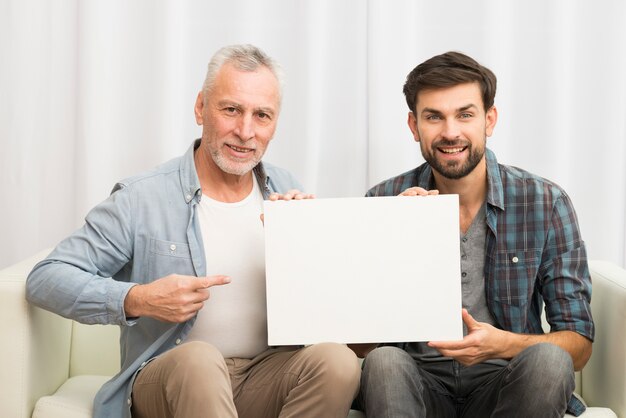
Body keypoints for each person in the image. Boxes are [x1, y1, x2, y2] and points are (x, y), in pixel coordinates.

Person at [26, 44, 360, 418]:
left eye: (261, 115)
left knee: (338, 361)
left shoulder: (285, 188)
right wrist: (137, 298)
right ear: (201, 107)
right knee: (200, 360)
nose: (245, 131)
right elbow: (47, 278)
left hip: (266, 374)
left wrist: (306, 246)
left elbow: (323, 308)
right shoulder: (142, 197)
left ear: (275, 123)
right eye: (231, 109)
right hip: (172, 378)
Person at [352, 51, 594, 418]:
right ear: (414, 126)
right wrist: (394, 237)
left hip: (504, 383)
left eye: (465, 114)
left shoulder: (545, 202)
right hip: (415, 384)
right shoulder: (382, 200)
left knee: (548, 360)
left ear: (489, 119)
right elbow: (357, 346)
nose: (450, 132)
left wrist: (502, 345)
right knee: (385, 361)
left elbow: (579, 345)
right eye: (434, 117)